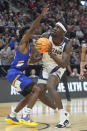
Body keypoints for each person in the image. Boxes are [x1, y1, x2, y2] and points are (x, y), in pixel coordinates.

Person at [5, 5, 50, 126]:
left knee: (29, 96)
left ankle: (12, 116)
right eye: (30, 32)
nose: (32, 33)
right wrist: (41, 15)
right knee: (37, 90)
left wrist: (43, 57)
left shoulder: (28, 49)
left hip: (13, 75)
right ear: (26, 34)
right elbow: (32, 28)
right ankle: (26, 115)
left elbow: (31, 62)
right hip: (14, 73)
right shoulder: (23, 43)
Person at [37, 21, 72, 128]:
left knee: (50, 86)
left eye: (58, 27)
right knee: (40, 94)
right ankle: (62, 112)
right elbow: (38, 49)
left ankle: (63, 119)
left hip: (58, 66)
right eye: (55, 26)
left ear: (63, 32)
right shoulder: (46, 36)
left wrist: (51, 53)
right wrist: (35, 55)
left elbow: (63, 64)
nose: (55, 28)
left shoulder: (67, 43)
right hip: (45, 66)